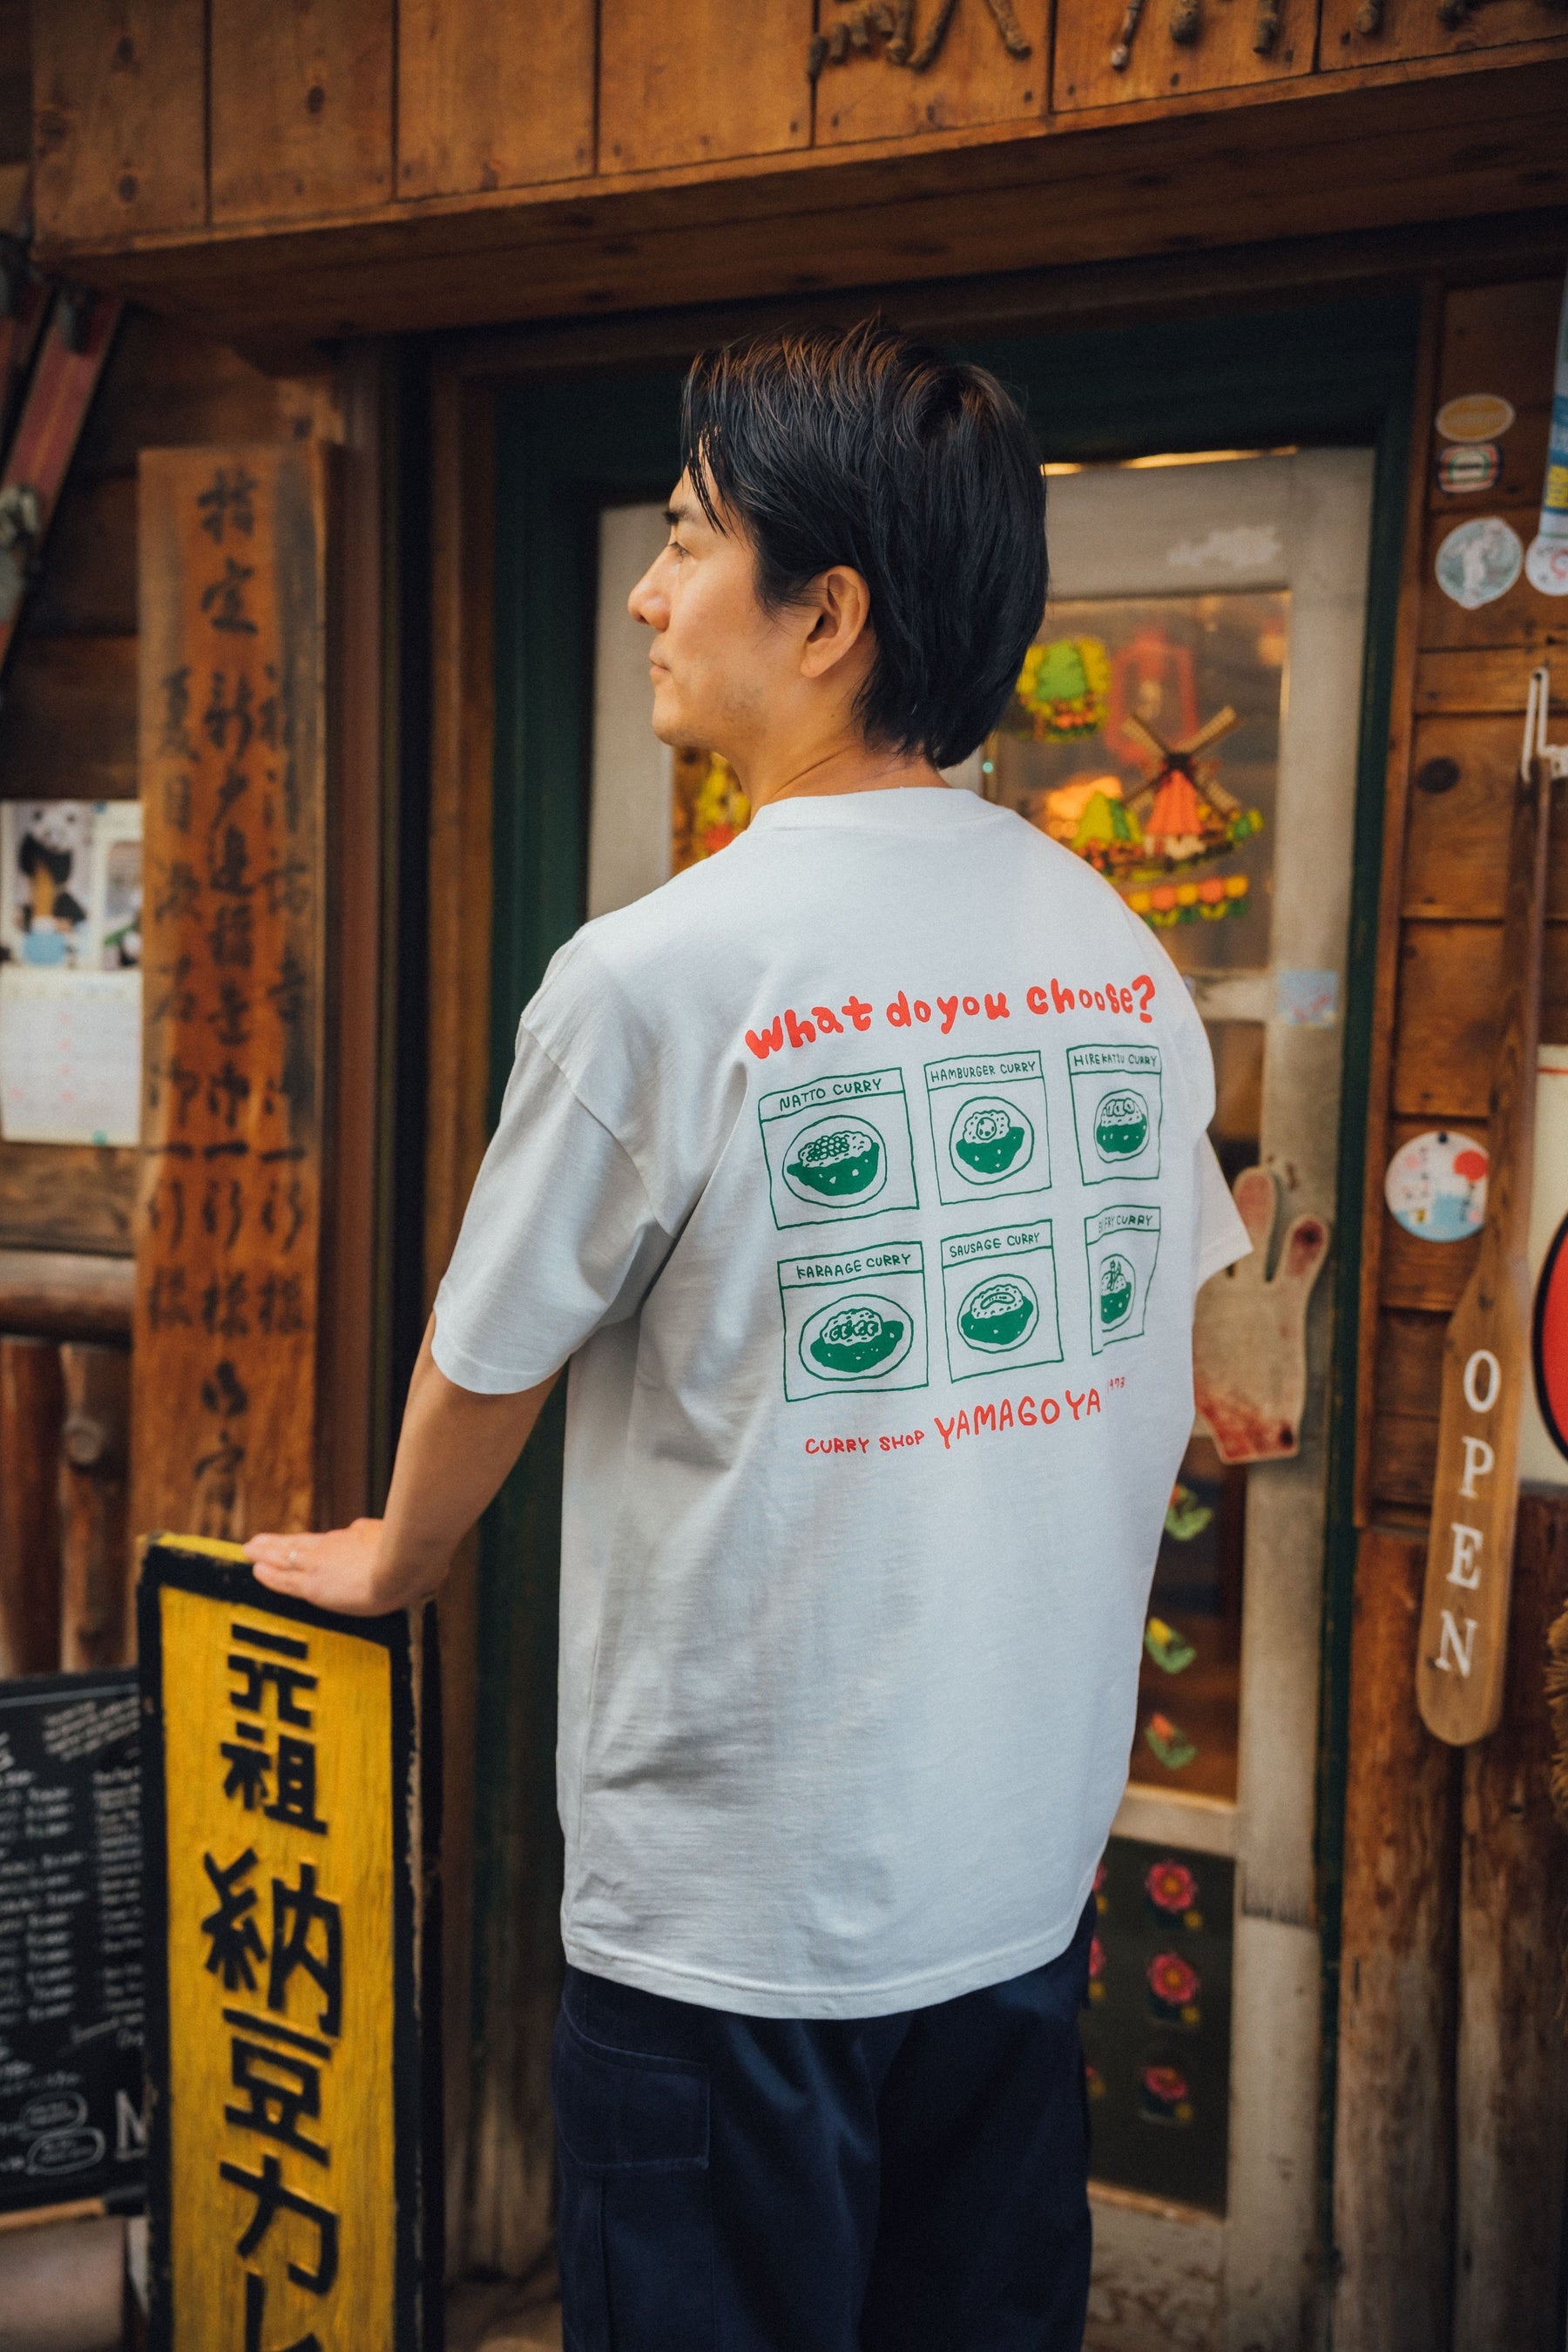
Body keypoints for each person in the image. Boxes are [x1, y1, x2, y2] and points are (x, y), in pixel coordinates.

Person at [248, 320, 1249, 2352]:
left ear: (828, 617)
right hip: (1012, 1891)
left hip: (733, 1923)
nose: (646, 591)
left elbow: (487, 1347)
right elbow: (1178, 1328)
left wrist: (396, 1557)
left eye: (692, 539)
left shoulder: (658, 973)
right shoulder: (1114, 956)